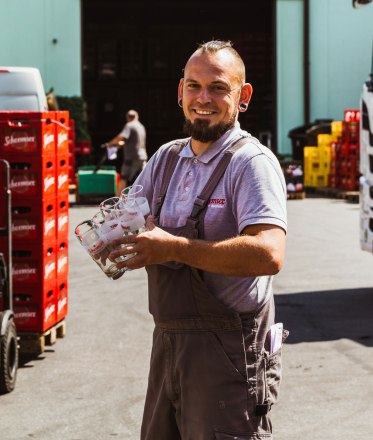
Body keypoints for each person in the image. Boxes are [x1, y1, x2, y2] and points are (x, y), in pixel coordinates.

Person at [108, 40, 288, 439]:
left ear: (243, 96)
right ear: (180, 91)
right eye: (194, 86)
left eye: (218, 88)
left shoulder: (251, 163)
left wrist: (172, 247)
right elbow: (126, 218)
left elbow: (269, 253)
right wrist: (110, 233)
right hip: (168, 343)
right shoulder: (166, 159)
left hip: (228, 353)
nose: (203, 98)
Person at [102, 109, 148, 191]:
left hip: (132, 157)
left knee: (124, 178)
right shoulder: (141, 126)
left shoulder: (129, 125)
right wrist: (119, 145)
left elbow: (121, 137)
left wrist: (110, 144)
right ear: (137, 117)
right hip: (142, 157)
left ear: (128, 118)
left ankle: (119, 198)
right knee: (144, 179)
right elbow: (132, 141)